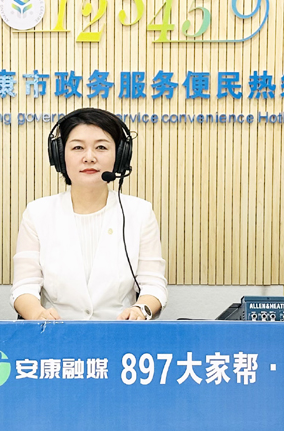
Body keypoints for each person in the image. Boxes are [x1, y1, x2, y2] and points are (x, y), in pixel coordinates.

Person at [11, 108, 168, 320]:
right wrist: (37, 314)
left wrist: (141, 310)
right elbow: (24, 286)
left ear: (120, 156)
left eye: (101, 147)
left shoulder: (140, 213)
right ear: (59, 155)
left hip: (120, 333)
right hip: (56, 334)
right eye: (78, 147)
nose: (89, 157)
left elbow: (153, 284)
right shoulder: (38, 213)